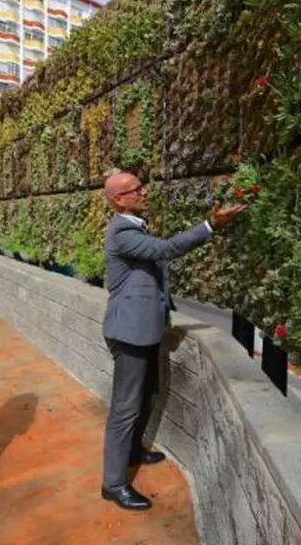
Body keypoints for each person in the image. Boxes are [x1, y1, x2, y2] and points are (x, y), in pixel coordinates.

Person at [99, 172, 245, 510]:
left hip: (144, 329)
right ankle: (113, 483)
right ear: (119, 199)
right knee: (125, 407)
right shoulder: (122, 231)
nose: (144, 190)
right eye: (136, 189)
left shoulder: (136, 224)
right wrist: (210, 224)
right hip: (129, 333)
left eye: (141, 185)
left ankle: (134, 449)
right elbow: (167, 250)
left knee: (147, 395)